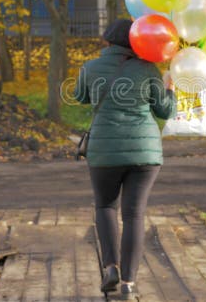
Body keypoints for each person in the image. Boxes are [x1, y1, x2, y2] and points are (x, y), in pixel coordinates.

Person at [75, 18, 176, 300]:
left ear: (106, 41)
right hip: (145, 154)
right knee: (134, 214)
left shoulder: (90, 67)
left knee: (106, 206)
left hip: (104, 151)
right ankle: (129, 284)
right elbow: (164, 111)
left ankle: (110, 267)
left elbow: (79, 96)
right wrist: (170, 91)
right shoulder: (147, 69)